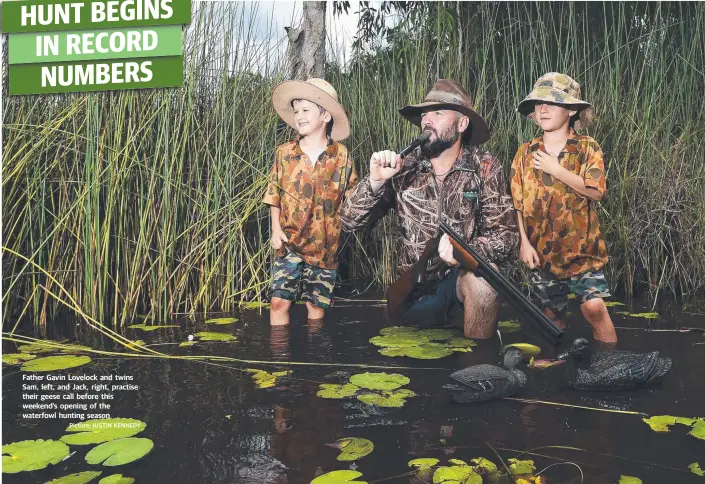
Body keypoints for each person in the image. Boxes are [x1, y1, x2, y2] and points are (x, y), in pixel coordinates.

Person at [341, 79, 518, 339]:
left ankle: (479, 368)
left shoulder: (485, 165)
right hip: (413, 294)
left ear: (462, 123)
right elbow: (348, 222)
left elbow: (507, 237)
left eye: (437, 113)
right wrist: (376, 182)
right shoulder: (403, 167)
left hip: (460, 289)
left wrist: (466, 252)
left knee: (485, 280)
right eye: (424, 114)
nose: (427, 120)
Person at [510, 72, 617, 343]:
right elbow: (518, 202)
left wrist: (556, 169)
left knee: (593, 307)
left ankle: (613, 362)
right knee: (549, 316)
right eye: (538, 103)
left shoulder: (586, 148)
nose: (543, 108)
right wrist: (524, 242)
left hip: (582, 251)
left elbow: (596, 191)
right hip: (542, 252)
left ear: (570, 110)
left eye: (552, 103)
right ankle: (556, 366)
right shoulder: (526, 152)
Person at [264, 78, 358, 326]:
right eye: (296, 112)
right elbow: (274, 193)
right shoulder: (284, 153)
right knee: (279, 302)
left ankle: (315, 358)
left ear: (325, 115)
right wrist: (275, 230)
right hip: (289, 241)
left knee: (315, 307)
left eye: (306, 110)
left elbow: (353, 199)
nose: (299, 116)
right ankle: (278, 358)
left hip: (325, 245)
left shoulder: (342, 156)